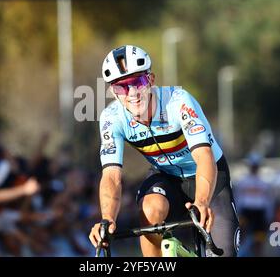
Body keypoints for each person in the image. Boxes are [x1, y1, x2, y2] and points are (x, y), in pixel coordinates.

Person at [89, 45, 240, 256]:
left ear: (151, 80)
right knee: (150, 209)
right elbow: (112, 177)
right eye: (121, 87)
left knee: (224, 253)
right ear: (114, 92)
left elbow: (204, 156)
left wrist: (202, 202)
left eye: (137, 82)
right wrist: (108, 219)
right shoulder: (111, 118)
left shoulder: (178, 102)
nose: (132, 93)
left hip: (209, 177)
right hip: (166, 177)